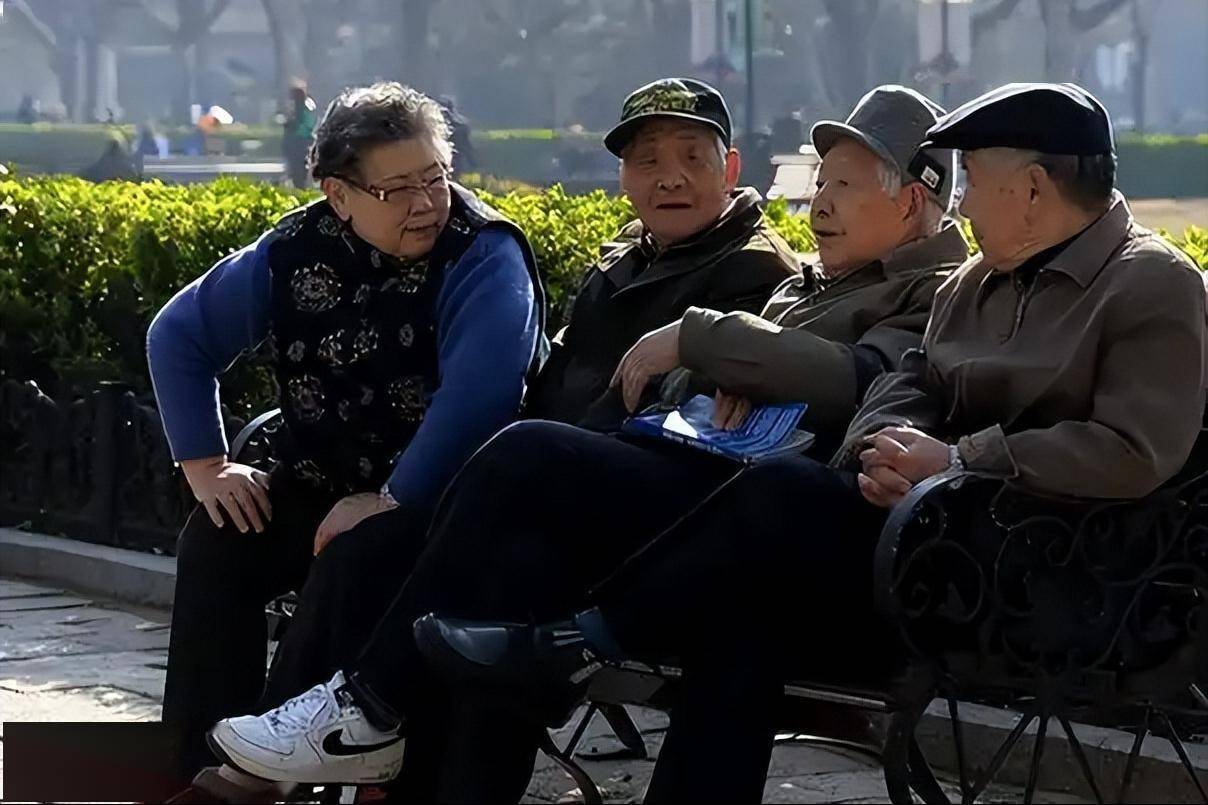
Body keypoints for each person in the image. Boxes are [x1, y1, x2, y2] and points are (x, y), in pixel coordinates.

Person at [417, 83, 1208, 801]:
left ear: (1032, 189)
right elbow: (911, 384)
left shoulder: (1150, 282)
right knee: (743, 611)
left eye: (971, 181)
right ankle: (541, 668)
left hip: (1035, 575)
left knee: (777, 496)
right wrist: (883, 449)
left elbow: (1132, 449)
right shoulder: (978, 282)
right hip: (919, 543)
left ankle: (581, 642)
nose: (961, 203)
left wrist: (957, 463)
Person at [206, 85, 970, 801]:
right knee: (449, 561)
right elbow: (693, 383)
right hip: (684, 511)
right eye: (821, 182)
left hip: (758, 532)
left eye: (842, 186)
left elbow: (856, 378)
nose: (819, 202)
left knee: (524, 467)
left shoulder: (924, 291)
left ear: (911, 200)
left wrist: (700, 341)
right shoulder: (802, 282)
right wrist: (712, 372)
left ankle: (367, 704)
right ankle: (318, 747)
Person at [147, 81, 544, 782]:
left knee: (352, 553)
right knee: (218, 538)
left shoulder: (483, 254)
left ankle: (258, 772)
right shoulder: (294, 248)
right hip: (322, 480)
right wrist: (207, 465)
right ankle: (194, 765)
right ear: (339, 195)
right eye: (398, 189)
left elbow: (481, 395)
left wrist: (390, 498)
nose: (426, 203)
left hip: (441, 508)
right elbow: (178, 334)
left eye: (435, 178)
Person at [523, 77, 799, 425]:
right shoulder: (621, 255)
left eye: (693, 158)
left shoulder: (758, 268)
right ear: (623, 176)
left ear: (730, 171)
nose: (670, 180)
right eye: (648, 160)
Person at [283, 83, 317, 188]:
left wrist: (288, 125)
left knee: (296, 167)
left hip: (297, 141)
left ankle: (299, 186)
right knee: (302, 167)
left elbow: (297, 123)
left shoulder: (300, 107)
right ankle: (303, 185)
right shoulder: (309, 104)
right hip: (306, 139)